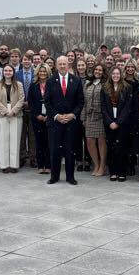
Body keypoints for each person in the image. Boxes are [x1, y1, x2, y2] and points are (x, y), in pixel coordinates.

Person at [46, 55, 84, 185]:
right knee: (55, 150)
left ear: (68, 65)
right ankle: (54, 176)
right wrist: (57, 116)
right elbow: (47, 102)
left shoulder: (76, 80)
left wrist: (72, 115)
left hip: (71, 122)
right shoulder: (50, 81)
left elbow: (80, 102)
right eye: (60, 64)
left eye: (64, 64)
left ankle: (70, 177)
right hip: (55, 122)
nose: (62, 66)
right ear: (56, 66)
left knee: (70, 150)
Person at [101, 65, 133, 182]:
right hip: (109, 122)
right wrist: (110, 122)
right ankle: (113, 171)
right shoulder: (105, 88)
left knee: (121, 147)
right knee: (111, 147)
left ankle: (122, 171)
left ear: (121, 75)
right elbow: (103, 106)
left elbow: (127, 107)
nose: (115, 76)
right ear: (110, 75)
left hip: (122, 123)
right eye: (113, 74)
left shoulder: (127, 87)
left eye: (117, 74)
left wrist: (118, 122)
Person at [0, 64, 25, 172]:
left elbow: (22, 99)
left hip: (16, 113)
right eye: (5, 70)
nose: (7, 72)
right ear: (3, 72)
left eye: (10, 70)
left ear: (13, 72)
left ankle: (14, 165)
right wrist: (6, 111)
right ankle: (5, 166)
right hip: (1, 114)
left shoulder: (18, 84)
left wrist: (14, 111)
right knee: (3, 140)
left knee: (15, 140)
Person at [82, 63, 107, 177]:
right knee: (90, 141)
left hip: (101, 116)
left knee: (101, 141)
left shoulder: (105, 84)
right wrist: (83, 117)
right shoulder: (88, 84)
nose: (98, 71)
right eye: (96, 69)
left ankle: (102, 166)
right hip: (89, 116)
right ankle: (96, 164)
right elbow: (84, 102)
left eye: (100, 70)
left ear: (103, 72)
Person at [28, 63, 53, 174]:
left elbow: (55, 101)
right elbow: (31, 102)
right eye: (40, 71)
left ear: (48, 72)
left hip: (49, 117)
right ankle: (40, 164)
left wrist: (49, 115)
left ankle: (48, 165)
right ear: (37, 72)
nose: (42, 73)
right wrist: (37, 114)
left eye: (44, 71)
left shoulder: (52, 84)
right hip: (36, 118)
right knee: (39, 142)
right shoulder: (33, 85)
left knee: (48, 142)